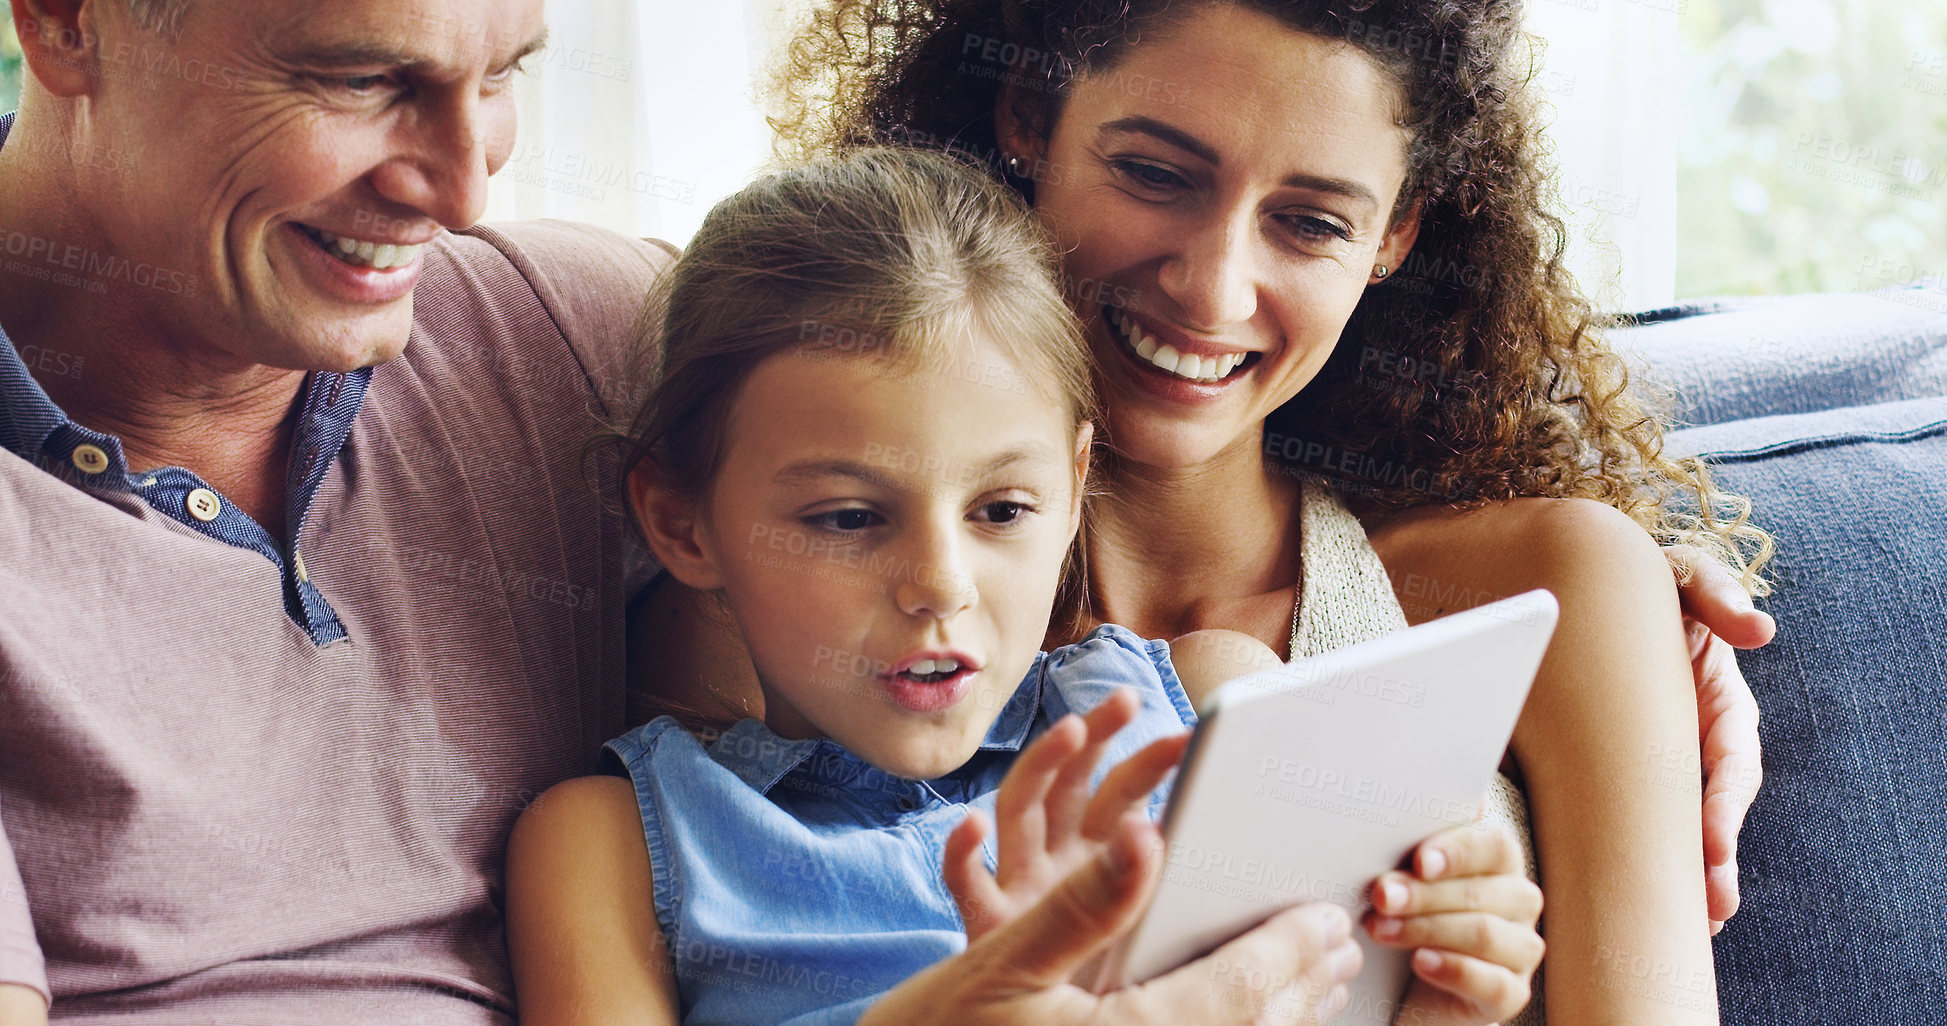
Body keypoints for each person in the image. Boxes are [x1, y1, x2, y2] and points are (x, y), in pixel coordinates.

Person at [0, 0, 1757, 1023]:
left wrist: (1592, 685)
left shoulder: (514, 316)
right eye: (358, 76)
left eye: (509, 66)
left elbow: (842, 327)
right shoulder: (653, 788)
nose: (464, 185)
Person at [621, 0, 1784, 1020]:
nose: (1213, 288)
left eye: (1313, 220)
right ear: (1030, 115)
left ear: (1395, 235)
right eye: (1157, 174)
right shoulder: (789, 640)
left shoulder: (1558, 584)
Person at [504, 145, 1546, 1026]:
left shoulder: (1205, 709)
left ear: (1075, 483)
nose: (938, 586)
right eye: (849, 518)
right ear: (682, 523)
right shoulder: (613, 847)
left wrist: (1441, 989)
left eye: (1002, 511)